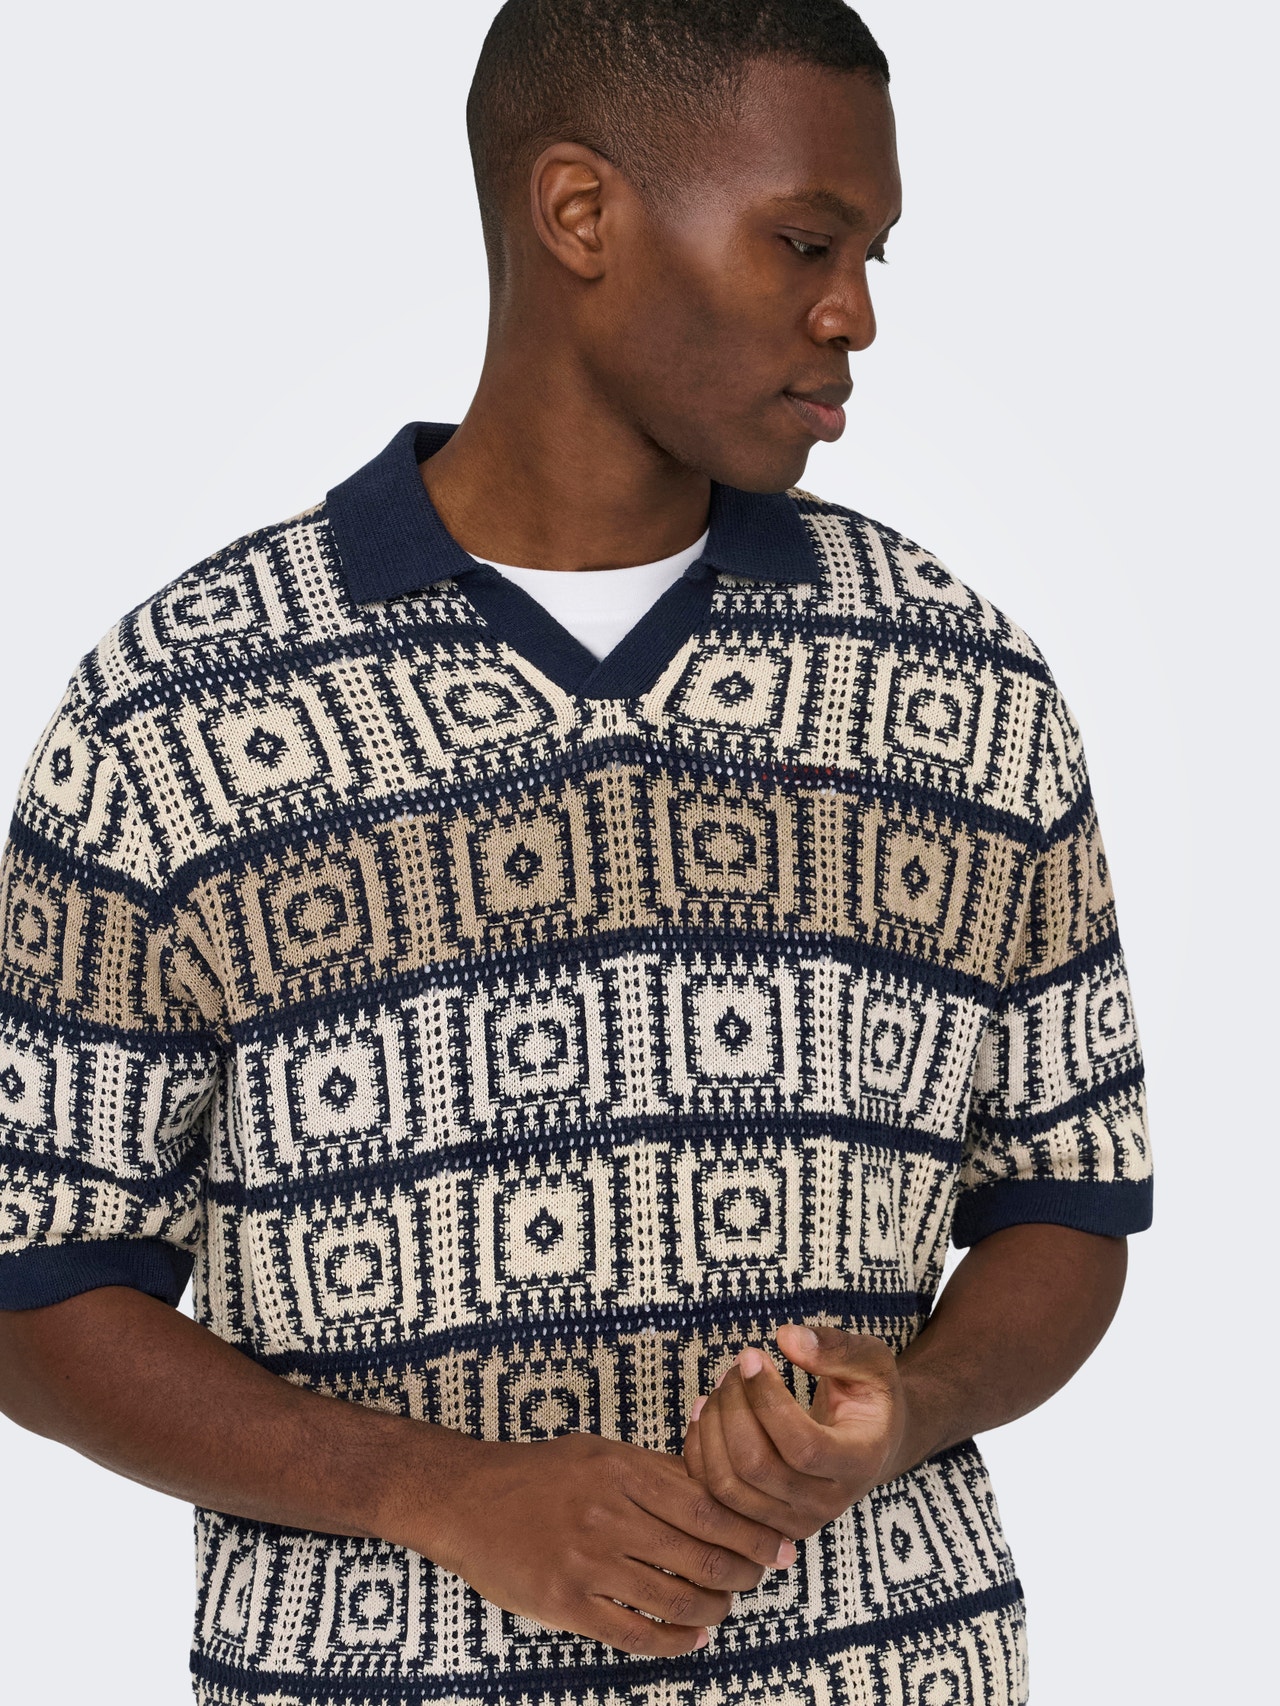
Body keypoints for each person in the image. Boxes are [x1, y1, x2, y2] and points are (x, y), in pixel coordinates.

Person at [0, 3, 1153, 1703]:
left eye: (872, 256)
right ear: (580, 213)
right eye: (807, 243)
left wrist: (913, 1402)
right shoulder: (173, 713)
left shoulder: (964, 686)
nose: (855, 312)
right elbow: (37, 1280)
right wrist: (436, 1489)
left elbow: (1067, 1201)